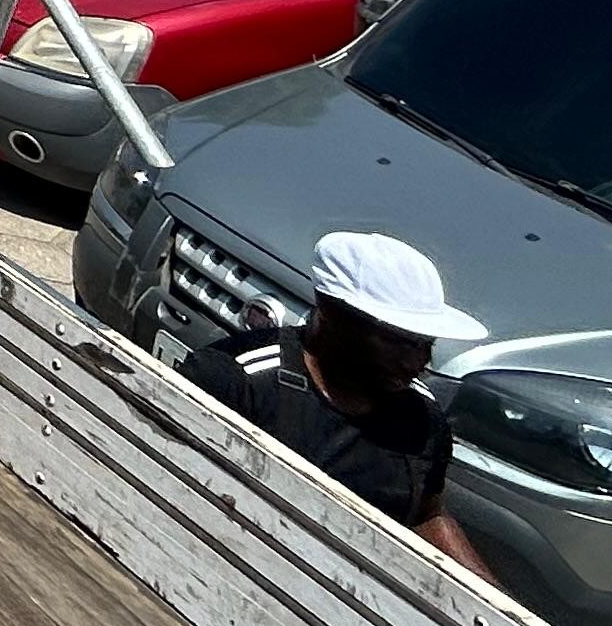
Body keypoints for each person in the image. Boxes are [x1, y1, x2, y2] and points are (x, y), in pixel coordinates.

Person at [181, 235, 491, 572]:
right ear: (330, 313)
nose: (416, 361)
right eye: (396, 342)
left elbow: (426, 517)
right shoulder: (236, 379)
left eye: (424, 343)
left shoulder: (423, 423)